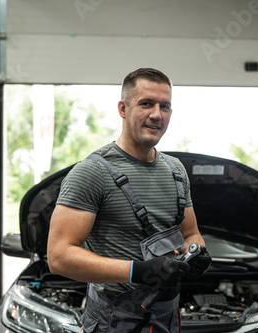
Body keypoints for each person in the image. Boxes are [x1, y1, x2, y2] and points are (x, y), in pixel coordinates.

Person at [47, 68, 212, 332]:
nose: (157, 114)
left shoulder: (176, 170)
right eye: (146, 104)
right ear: (123, 109)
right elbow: (59, 257)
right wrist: (138, 271)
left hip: (167, 317)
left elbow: (191, 233)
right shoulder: (92, 173)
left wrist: (197, 252)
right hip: (113, 321)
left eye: (165, 106)